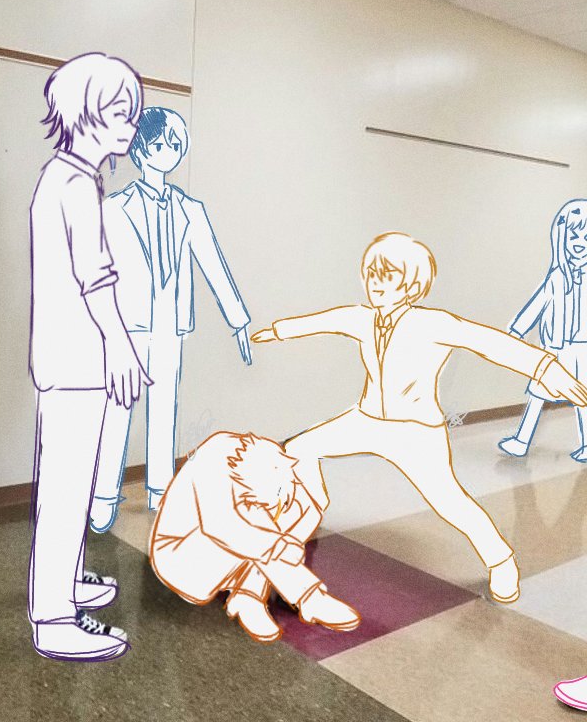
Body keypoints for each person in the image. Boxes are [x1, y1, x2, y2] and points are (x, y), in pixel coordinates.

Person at [252, 232, 587, 603]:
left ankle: (501, 560)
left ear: (411, 285)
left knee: (449, 501)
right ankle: (308, 514)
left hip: (415, 433)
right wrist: (278, 331)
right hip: (366, 421)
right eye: (371, 274)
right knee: (297, 450)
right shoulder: (362, 318)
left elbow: (489, 342)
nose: (375, 283)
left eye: (387, 276)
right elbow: (323, 321)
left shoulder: (433, 324)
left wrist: (545, 367)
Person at [27, 52, 151, 661]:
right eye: (120, 112)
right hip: (77, 362)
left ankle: (68, 582)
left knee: (68, 483)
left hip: (70, 358)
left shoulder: (69, 177)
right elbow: (94, 278)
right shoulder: (74, 185)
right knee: (66, 488)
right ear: (85, 114)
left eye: (132, 113)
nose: (130, 125)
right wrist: (121, 347)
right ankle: (53, 618)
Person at [90, 107, 251, 531]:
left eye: (175, 145)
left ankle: (160, 491)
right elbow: (96, 271)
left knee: (165, 410)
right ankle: (104, 493)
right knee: (118, 408)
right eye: (160, 144)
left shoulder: (190, 210)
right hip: (128, 325)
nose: (168, 152)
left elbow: (213, 264)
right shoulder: (113, 208)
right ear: (141, 150)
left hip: (170, 325)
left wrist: (237, 319)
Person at [149, 431, 360, 642]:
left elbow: (288, 514)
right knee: (257, 538)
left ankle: (249, 598)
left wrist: (289, 533)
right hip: (182, 560)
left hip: (232, 557)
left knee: (274, 525)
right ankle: (309, 598)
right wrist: (280, 546)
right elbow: (220, 527)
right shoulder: (212, 459)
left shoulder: (269, 459)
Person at [499, 199, 587, 460]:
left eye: (586, 236)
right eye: (574, 235)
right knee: (538, 394)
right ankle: (521, 441)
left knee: (582, 398)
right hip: (555, 349)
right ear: (561, 238)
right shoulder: (557, 278)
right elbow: (536, 305)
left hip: (583, 350)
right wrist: (516, 332)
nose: (580, 242)